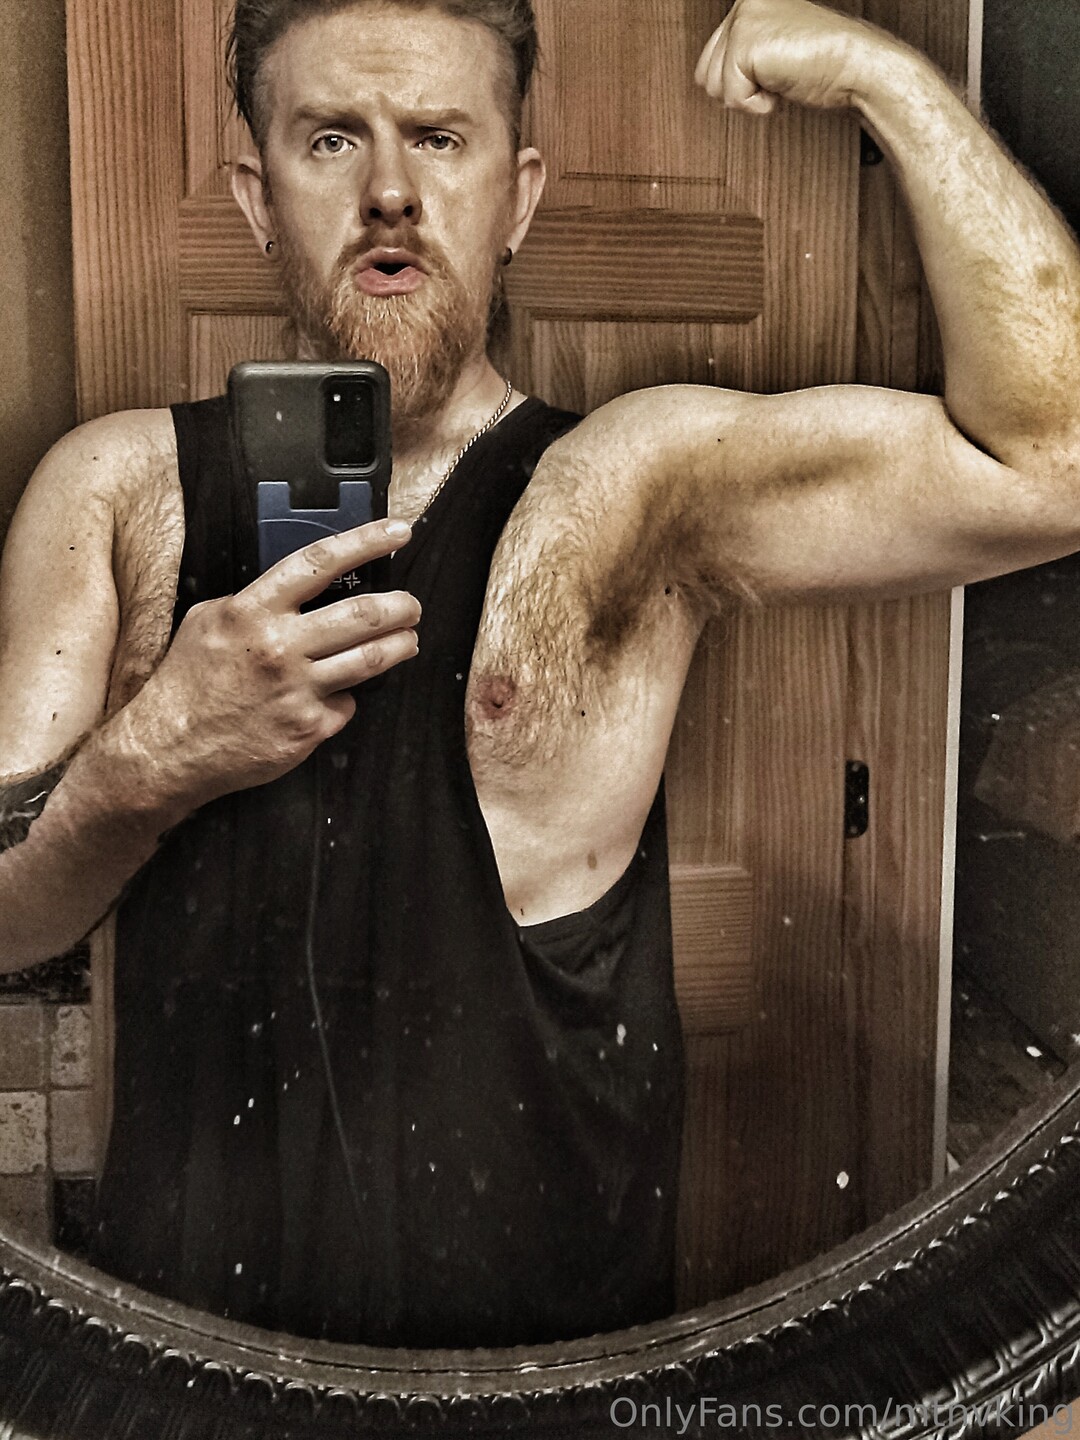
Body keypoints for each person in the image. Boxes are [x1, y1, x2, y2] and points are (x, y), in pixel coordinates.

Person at [0, 0, 1078, 1347]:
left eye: (439, 139)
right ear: (257, 200)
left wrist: (888, 79)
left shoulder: (631, 490)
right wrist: (144, 764)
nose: (391, 191)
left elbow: (1054, 465)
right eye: (330, 139)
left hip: (540, 1371)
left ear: (517, 199)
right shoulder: (112, 491)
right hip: (187, 1365)